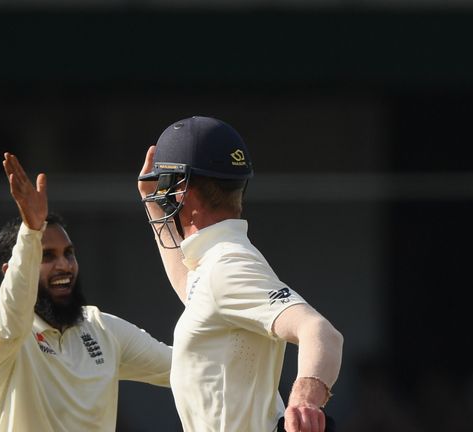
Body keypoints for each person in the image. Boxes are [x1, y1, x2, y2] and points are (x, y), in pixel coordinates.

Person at [137, 116, 344, 432]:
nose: (161, 199)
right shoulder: (216, 266)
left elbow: (321, 332)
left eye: (166, 190)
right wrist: (152, 208)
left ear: (183, 194)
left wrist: (305, 400)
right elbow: (190, 286)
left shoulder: (227, 266)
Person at [0, 152, 172, 432]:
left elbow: (183, 365)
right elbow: (12, 320)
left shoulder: (100, 328)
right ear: (9, 272)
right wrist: (31, 231)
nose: (64, 265)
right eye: (47, 256)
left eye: (69, 253)